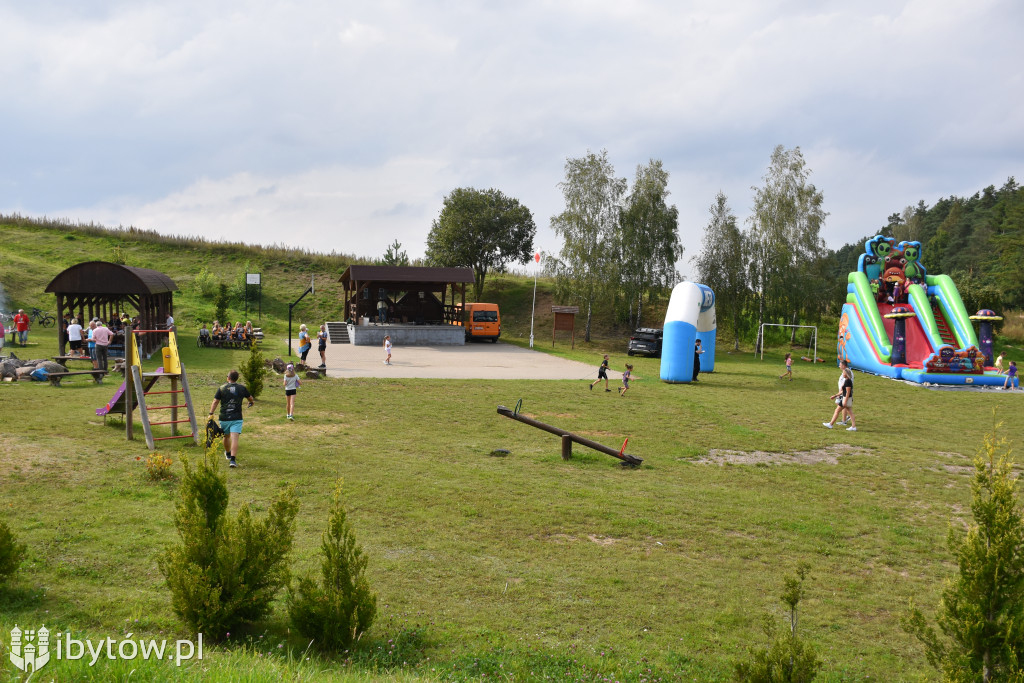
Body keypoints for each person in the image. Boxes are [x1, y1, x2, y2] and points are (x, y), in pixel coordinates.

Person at [209, 370, 254, 468]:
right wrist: (251, 402)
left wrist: (211, 413)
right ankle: (232, 461)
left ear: (228, 378)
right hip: (237, 417)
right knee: (235, 439)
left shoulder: (222, 388)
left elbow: (215, 401)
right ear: (236, 378)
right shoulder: (242, 388)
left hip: (224, 417)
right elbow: (250, 397)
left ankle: (228, 453)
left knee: (226, 436)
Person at [823, 360, 857, 431]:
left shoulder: (847, 381)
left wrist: (844, 401)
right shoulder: (847, 380)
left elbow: (847, 392)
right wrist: (835, 396)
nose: (843, 373)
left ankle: (831, 424)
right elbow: (842, 391)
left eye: (844, 373)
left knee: (837, 410)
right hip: (845, 398)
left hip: (845, 398)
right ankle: (853, 426)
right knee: (850, 412)